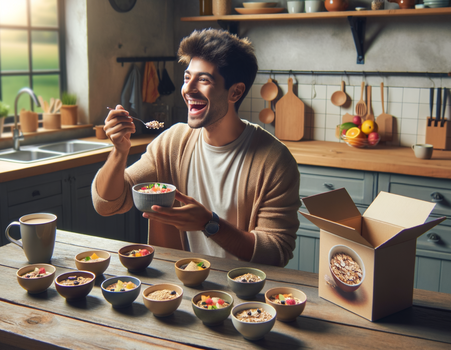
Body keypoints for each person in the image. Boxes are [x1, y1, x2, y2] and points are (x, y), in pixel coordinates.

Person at [92, 28, 300, 267]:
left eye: (203, 80)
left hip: (246, 295)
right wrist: (119, 152)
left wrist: (209, 224)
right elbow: (108, 203)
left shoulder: (275, 161)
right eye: (187, 77)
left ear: (236, 92)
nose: (188, 90)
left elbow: (276, 251)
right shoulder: (172, 143)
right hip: (178, 289)